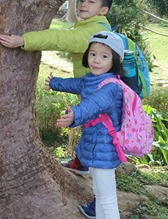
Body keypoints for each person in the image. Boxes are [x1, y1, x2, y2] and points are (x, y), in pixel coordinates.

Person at [0, 0, 114, 175]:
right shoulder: (92, 26)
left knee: (97, 130)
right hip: (94, 90)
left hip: (98, 94)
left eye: (91, 2)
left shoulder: (94, 33)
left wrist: (24, 40)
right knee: (91, 125)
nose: (83, 4)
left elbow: (58, 38)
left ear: (103, 10)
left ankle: (98, 179)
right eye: (82, 0)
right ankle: (82, 162)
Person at [45, 31, 124, 219]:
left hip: (106, 148)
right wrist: (55, 82)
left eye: (104, 56)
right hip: (95, 147)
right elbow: (75, 84)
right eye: (93, 54)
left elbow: (95, 103)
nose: (96, 60)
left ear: (115, 60)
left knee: (107, 199)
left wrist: (75, 114)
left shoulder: (111, 87)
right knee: (99, 192)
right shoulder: (90, 79)